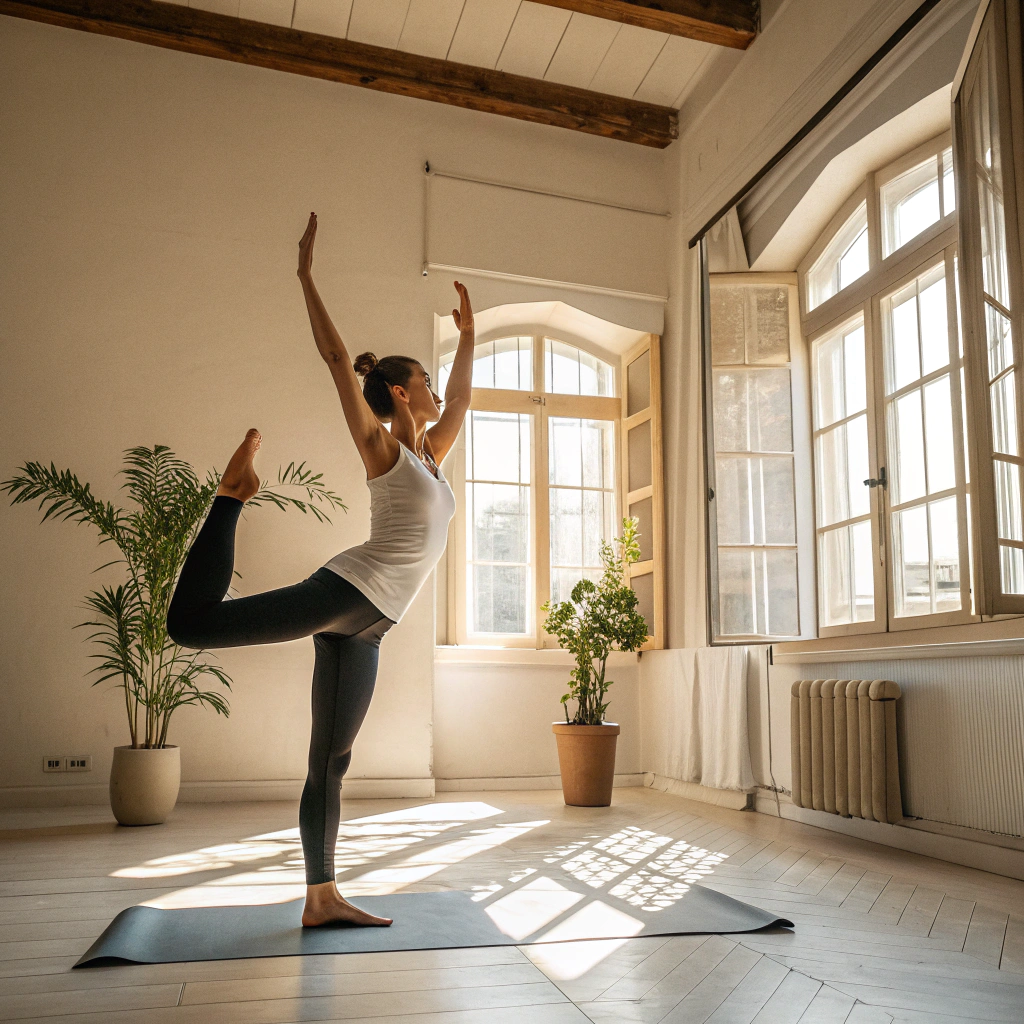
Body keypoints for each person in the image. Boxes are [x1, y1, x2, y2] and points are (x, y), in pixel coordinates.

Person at [167, 212, 476, 927]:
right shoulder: (386, 453)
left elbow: (460, 399)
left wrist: (466, 339)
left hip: (369, 629)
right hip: (347, 591)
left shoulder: (432, 455)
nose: (435, 389)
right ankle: (229, 500)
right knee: (192, 626)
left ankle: (321, 898)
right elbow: (341, 363)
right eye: (423, 380)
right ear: (400, 393)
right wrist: (306, 277)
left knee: (330, 763)